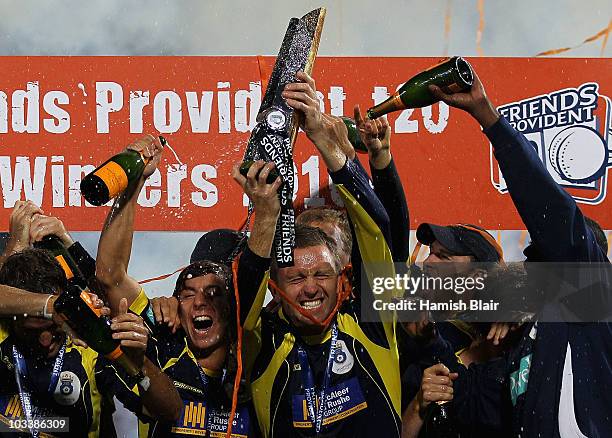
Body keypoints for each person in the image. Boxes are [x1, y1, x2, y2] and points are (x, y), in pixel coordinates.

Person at [429, 68, 612, 436]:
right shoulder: (521, 344)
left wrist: (490, 120)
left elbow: (552, 210)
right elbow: (478, 406)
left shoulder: (590, 304)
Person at [231, 70, 404, 437]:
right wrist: (265, 216)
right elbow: (242, 295)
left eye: (321, 274)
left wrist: (328, 143)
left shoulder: (372, 323)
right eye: (295, 277)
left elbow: (378, 230)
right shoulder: (264, 344)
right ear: (274, 289)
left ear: (343, 278)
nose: (310, 288)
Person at [94, 135, 260, 437]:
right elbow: (110, 276)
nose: (199, 303)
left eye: (213, 293)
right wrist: (133, 184)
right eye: (187, 294)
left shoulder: (262, 351)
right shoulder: (162, 343)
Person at [0, 248, 181, 437]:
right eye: (31, 332)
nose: (45, 341)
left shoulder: (91, 349)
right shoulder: (3, 330)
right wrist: (50, 305)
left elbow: (169, 412)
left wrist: (140, 362)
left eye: (55, 327)